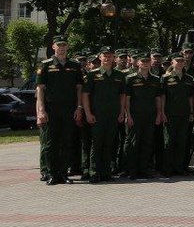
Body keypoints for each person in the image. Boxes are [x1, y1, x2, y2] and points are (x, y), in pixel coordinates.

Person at [35, 35, 84, 185]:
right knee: (51, 143)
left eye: (64, 45)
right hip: (52, 108)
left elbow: (79, 89)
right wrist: (41, 110)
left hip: (69, 108)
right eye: (59, 45)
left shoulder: (75, 66)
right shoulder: (45, 65)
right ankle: (51, 174)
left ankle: (63, 173)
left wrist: (79, 107)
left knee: (67, 142)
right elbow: (40, 90)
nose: (62, 48)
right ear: (53, 46)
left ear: (67, 47)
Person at [81, 46, 123, 183]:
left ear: (114, 58)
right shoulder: (92, 75)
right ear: (100, 57)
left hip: (112, 115)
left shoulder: (119, 75)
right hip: (97, 115)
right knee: (96, 144)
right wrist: (87, 113)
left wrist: (122, 112)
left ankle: (106, 172)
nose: (107, 58)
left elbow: (122, 96)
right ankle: (94, 172)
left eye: (110, 56)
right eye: (105, 55)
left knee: (109, 144)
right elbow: (85, 95)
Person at [123, 53, 164, 180]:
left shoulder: (155, 79)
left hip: (150, 115)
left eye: (147, 61)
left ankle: (144, 169)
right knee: (134, 143)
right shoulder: (130, 78)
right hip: (135, 115)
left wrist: (159, 114)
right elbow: (127, 99)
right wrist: (128, 115)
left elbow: (158, 98)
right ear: (138, 63)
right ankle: (132, 170)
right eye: (143, 61)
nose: (145, 63)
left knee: (147, 143)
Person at [161, 54, 194, 176]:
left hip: (184, 114)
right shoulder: (165, 78)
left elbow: (190, 97)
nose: (180, 63)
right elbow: (162, 97)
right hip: (170, 114)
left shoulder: (189, 78)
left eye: (182, 61)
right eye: (178, 61)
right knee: (169, 142)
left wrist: (191, 112)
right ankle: (167, 169)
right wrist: (162, 112)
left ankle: (179, 168)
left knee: (182, 141)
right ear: (172, 62)